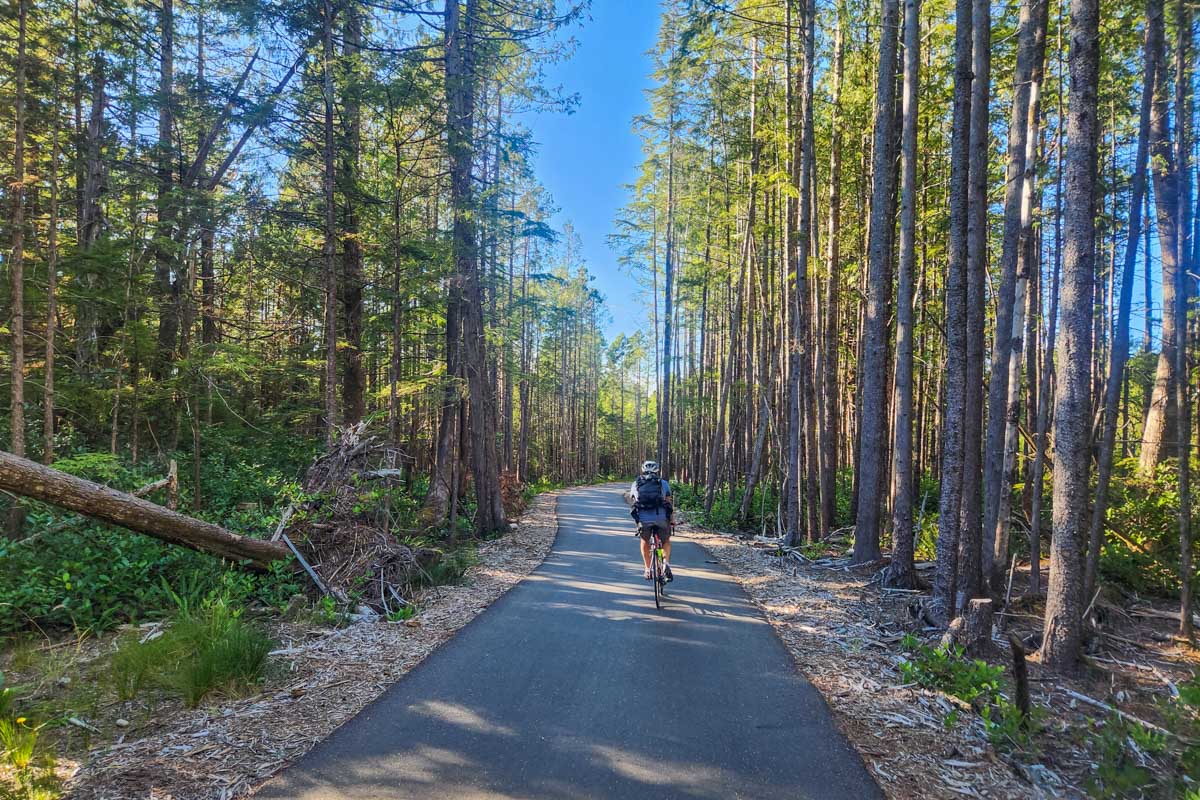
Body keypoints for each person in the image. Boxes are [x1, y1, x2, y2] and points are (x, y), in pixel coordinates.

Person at [629, 460, 674, 582]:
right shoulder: (663, 483)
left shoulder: (636, 483)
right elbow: (669, 503)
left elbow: (633, 501)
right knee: (665, 541)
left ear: (642, 469)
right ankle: (665, 563)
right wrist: (672, 520)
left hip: (644, 519)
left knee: (644, 540)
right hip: (661, 518)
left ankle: (648, 569)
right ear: (657, 471)